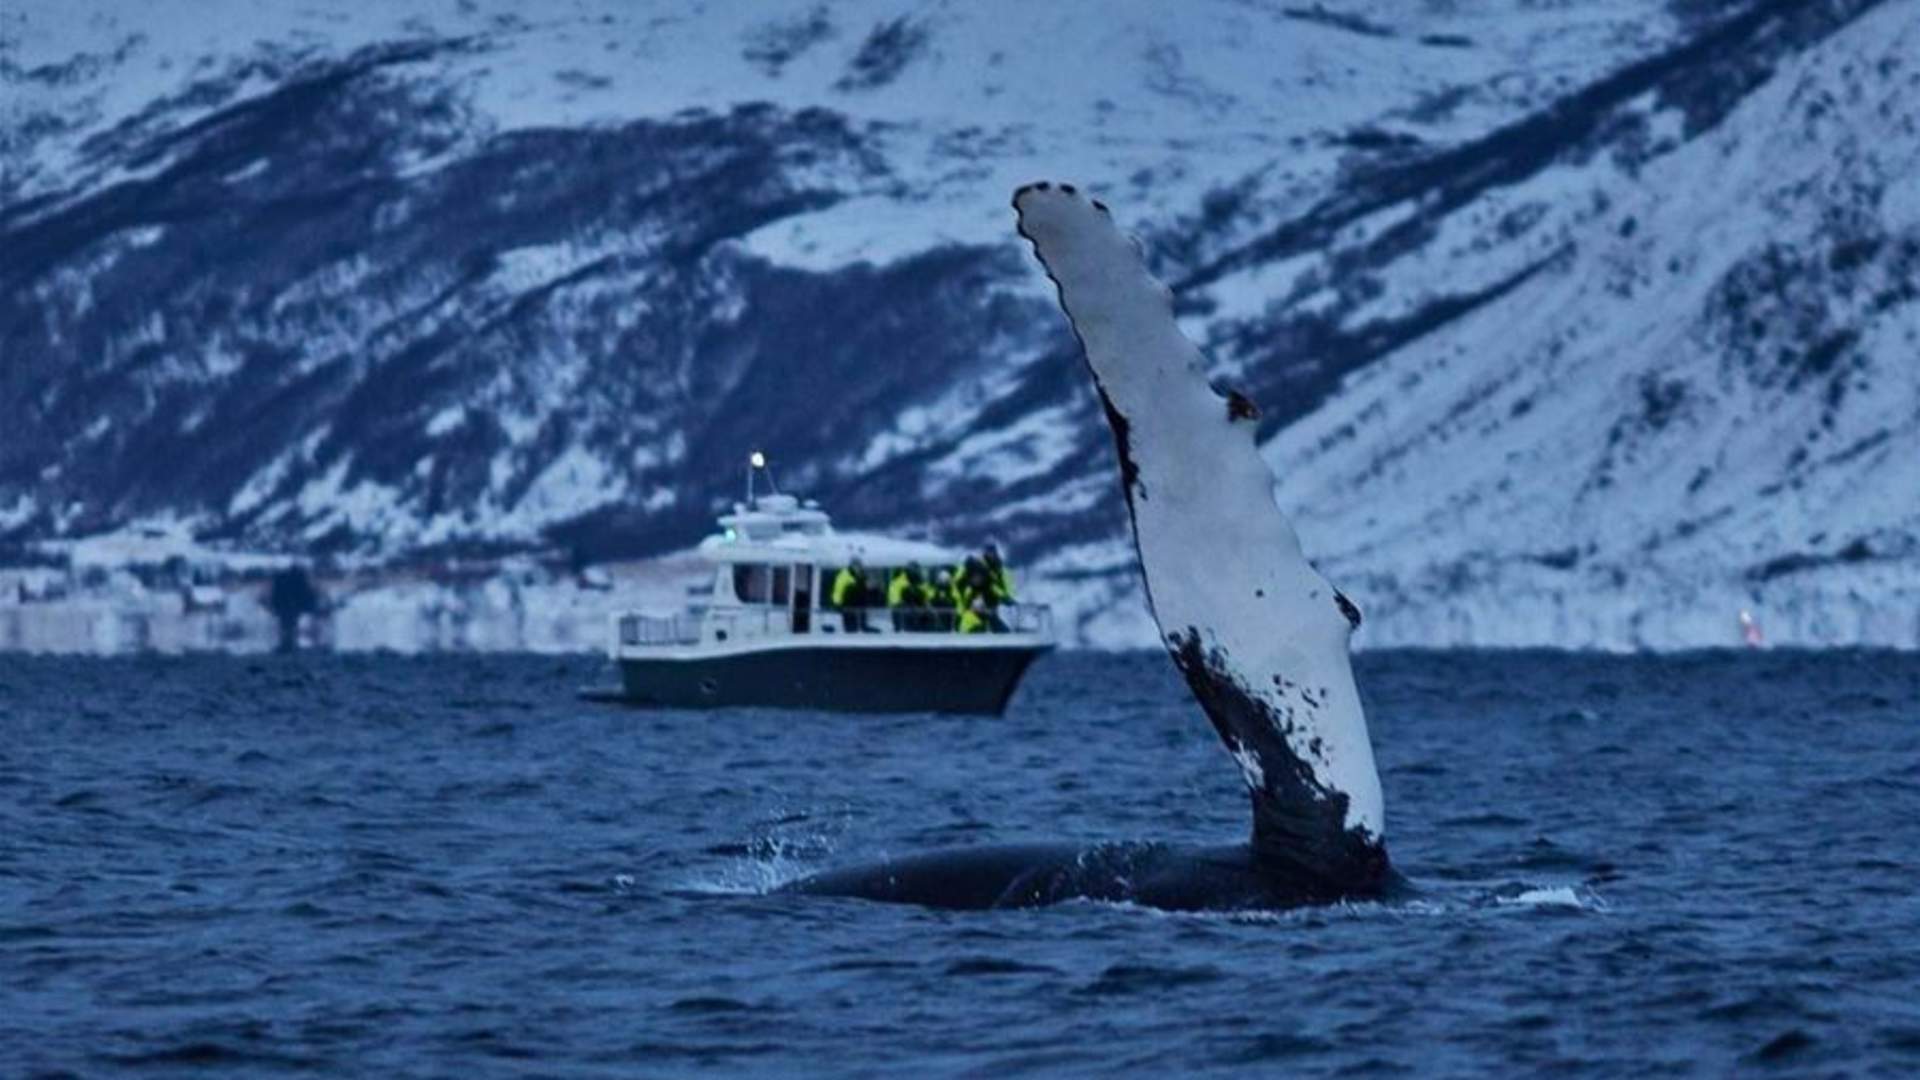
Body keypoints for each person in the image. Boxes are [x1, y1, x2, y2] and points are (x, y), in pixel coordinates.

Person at [831, 558, 873, 632]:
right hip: (848, 604)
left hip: (861, 604)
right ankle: (851, 629)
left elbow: (867, 587)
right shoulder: (844, 575)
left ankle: (863, 626)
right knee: (851, 628)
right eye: (855, 566)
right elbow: (838, 589)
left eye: (859, 566)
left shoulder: (861, 574)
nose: (857, 568)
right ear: (851, 566)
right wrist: (837, 602)